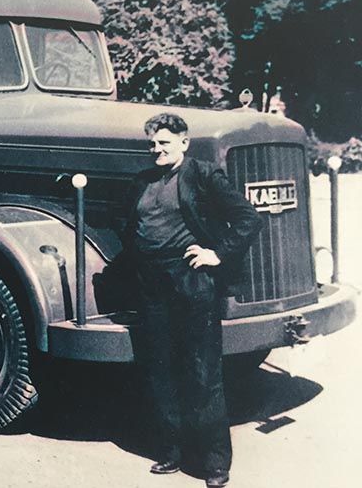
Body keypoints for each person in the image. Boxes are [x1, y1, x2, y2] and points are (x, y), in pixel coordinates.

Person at [122, 113, 263, 487]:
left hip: (192, 282)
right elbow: (123, 222)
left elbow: (248, 218)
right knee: (162, 369)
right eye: (152, 143)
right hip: (153, 285)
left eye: (164, 142)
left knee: (202, 373)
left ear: (184, 142)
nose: (157, 149)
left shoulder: (202, 175)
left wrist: (218, 253)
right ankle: (171, 452)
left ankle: (215, 465)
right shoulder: (143, 180)